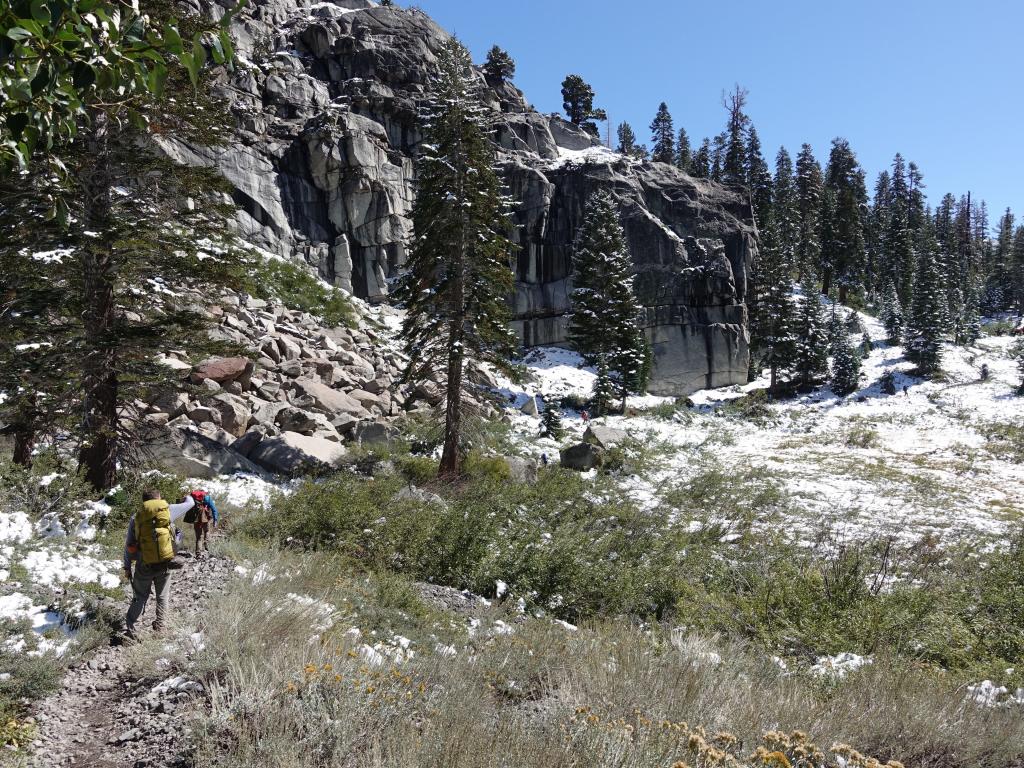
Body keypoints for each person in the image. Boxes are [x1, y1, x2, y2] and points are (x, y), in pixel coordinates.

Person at [122, 489, 195, 639]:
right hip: (165, 561)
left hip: (144, 563)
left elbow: (129, 545)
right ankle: (161, 628)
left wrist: (127, 566)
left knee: (140, 596)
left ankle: (132, 630)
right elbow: (191, 503)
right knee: (162, 596)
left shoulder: (136, 517)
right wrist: (186, 496)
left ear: (144, 502)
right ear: (159, 498)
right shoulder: (168, 509)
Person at [188, 489, 220, 557]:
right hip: (206, 519)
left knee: (198, 537)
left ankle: (198, 553)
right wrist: (215, 520)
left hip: (196, 520)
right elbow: (214, 509)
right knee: (207, 532)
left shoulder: (193, 498)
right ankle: (207, 549)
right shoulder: (207, 498)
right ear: (204, 493)